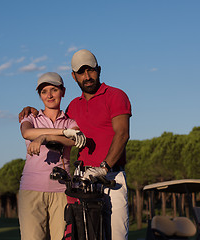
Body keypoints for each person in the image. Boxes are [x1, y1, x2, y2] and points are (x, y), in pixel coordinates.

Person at [19, 49, 132, 240]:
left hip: (110, 177)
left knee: (116, 236)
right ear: (74, 76)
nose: (87, 76)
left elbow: (122, 134)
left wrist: (104, 168)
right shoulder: (73, 106)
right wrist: (31, 110)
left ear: (99, 70)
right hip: (81, 182)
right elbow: (55, 124)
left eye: (91, 70)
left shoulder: (115, 95)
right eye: (81, 72)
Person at [19, 72, 86, 240]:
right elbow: (27, 133)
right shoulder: (31, 117)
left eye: (54, 90)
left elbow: (74, 140)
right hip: (31, 190)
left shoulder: (70, 122)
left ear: (63, 92)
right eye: (44, 91)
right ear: (40, 95)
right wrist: (62, 133)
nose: (49, 95)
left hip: (61, 191)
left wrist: (45, 137)